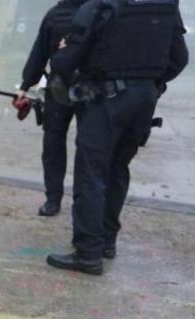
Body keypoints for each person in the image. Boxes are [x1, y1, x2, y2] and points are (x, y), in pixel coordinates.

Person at [46, 0, 187, 275]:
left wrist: (61, 54)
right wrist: (146, 82)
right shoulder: (165, 5)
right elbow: (179, 59)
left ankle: (88, 253)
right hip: (144, 100)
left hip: (105, 101)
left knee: (91, 174)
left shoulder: (100, 6)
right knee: (118, 168)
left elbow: (67, 61)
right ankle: (107, 242)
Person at [16, 0, 87, 218]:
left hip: (82, 88)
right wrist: (26, 86)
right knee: (65, 145)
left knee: (62, 145)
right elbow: (40, 52)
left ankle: (57, 200)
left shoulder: (59, 13)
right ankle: (62, 199)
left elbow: (39, 54)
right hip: (70, 88)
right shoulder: (60, 14)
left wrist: (26, 85)